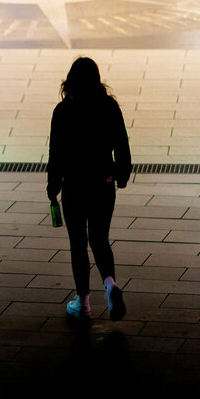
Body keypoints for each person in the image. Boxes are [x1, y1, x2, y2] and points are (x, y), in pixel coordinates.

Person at [46, 57, 131, 321]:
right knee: (100, 239)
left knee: (78, 244)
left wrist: (53, 184)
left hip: (74, 185)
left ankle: (83, 303)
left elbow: (56, 153)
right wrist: (122, 173)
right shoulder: (108, 106)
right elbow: (122, 144)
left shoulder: (63, 110)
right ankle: (110, 284)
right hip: (103, 182)